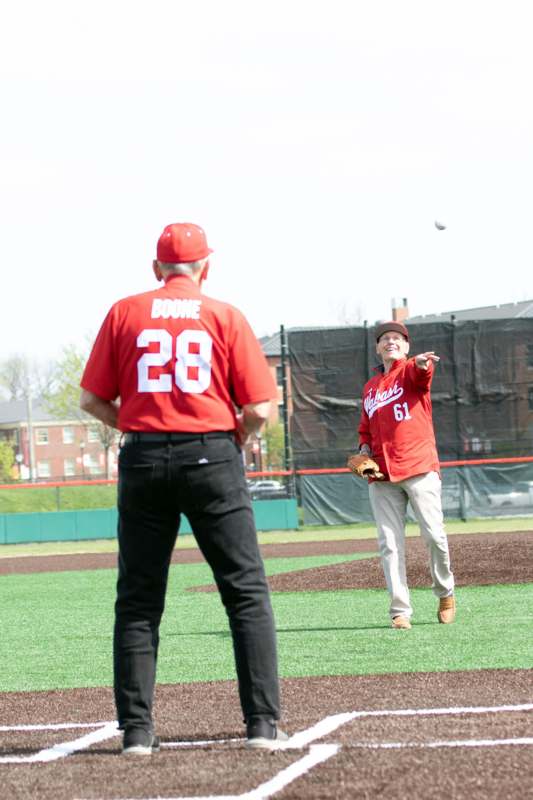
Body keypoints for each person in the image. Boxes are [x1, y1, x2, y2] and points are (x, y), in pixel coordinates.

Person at [80, 222, 287, 754]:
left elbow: (91, 400)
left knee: (139, 600)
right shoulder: (223, 315)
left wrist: (134, 421)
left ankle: (137, 734)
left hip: (145, 457)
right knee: (245, 593)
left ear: (156, 269)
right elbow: (260, 407)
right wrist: (239, 435)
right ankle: (262, 725)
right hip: (212, 454)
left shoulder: (126, 311)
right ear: (205, 268)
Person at [357, 320, 455, 630]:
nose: (391, 341)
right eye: (385, 338)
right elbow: (365, 427)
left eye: (397, 338)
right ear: (377, 347)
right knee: (389, 544)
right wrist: (362, 450)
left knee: (434, 536)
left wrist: (424, 364)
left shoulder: (411, 371)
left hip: (418, 467)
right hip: (382, 475)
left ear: (407, 346)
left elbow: (421, 374)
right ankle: (400, 610)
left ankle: (445, 592)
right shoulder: (370, 388)